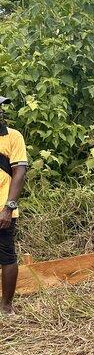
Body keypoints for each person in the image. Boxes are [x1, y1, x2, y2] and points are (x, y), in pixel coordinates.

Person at [0, 97, 27, 315]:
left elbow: (19, 171)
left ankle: (7, 306)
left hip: (2, 209)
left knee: (6, 255)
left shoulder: (13, 136)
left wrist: (9, 207)